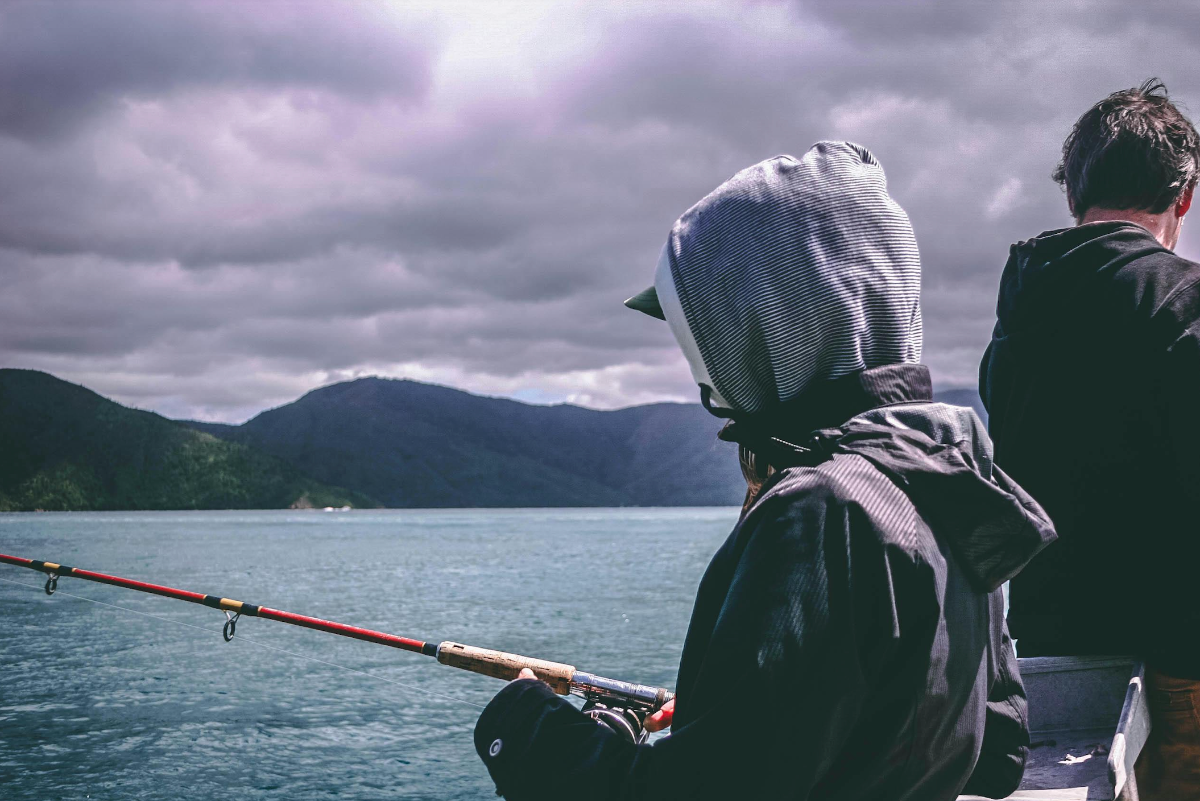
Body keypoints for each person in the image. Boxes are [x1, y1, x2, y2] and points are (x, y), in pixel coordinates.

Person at [474, 141, 1054, 801]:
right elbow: (997, 750)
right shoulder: (946, 471)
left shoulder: (820, 512)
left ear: (758, 324)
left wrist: (520, 725)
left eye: (702, 330)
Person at [978, 79, 1200, 799]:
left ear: (1074, 195)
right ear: (1184, 196)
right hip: (1179, 673)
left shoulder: (1016, 322)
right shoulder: (1183, 302)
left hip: (1049, 662)